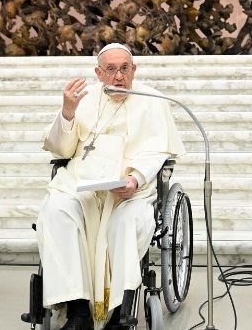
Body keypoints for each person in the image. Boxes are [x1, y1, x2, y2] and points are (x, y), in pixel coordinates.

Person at [36, 43, 186, 330]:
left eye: (124, 68)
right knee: (56, 211)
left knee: (126, 223)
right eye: (111, 70)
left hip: (130, 191)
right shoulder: (84, 99)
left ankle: (119, 312)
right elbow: (61, 148)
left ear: (134, 70)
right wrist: (67, 113)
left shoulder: (152, 100)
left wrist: (136, 178)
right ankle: (78, 311)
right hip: (81, 185)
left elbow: (158, 151)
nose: (119, 76)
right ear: (98, 73)